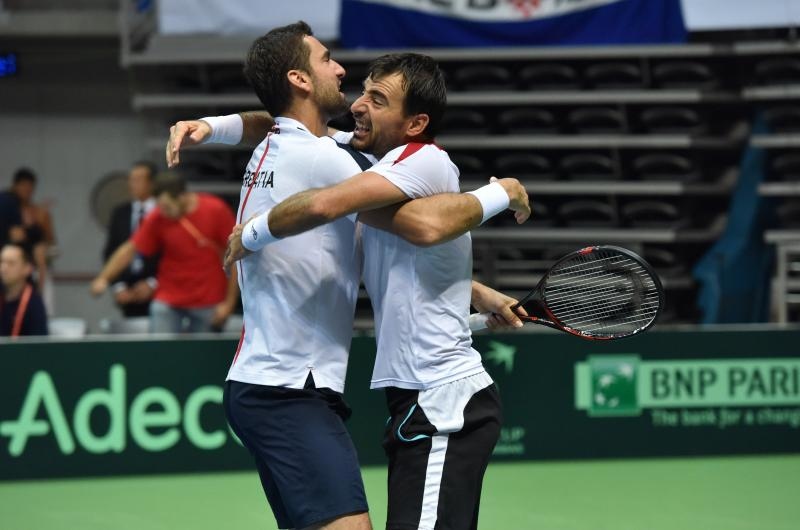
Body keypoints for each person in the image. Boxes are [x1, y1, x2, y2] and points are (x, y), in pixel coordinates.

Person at [166, 23, 528, 530]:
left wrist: (211, 125)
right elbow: (416, 223)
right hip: (290, 386)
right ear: (300, 79)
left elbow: (268, 126)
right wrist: (504, 191)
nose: (345, 76)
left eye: (376, 99)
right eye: (328, 60)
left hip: (278, 384)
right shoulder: (330, 160)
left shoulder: (291, 146)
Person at [90, 172, 238, 333]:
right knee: (160, 351)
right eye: (160, 207)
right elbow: (129, 250)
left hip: (209, 300)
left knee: (204, 355)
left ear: (182, 196)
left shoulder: (215, 209)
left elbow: (237, 256)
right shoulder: (158, 216)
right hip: (168, 299)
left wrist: (229, 304)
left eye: (167, 207)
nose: (164, 212)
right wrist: (104, 277)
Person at [102, 161, 160, 318]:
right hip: (128, 292)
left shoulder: (163, 211)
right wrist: (118, 286)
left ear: (152, 183)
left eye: (138, 179)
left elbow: (172, 253)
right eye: (131, 179)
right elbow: (111, 252)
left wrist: (153, 283)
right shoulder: (120, 213)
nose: (133, 184)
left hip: (160, 291)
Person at [1, 168, 56, 313]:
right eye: (25, 187)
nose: (28, 191)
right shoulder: (8, 202)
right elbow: (17, 235)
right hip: (19, 270)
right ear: (16, 185)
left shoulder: (31, 209)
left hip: (30, 270)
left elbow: (49, 241)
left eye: (31, 188)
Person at [0, 242, 48, 337]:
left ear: (27, 268)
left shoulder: (34, 303)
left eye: (11, 263)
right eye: (1, 262)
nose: (3, 268)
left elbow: (39, 347)